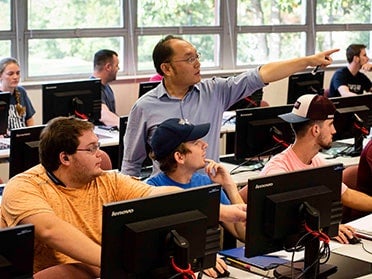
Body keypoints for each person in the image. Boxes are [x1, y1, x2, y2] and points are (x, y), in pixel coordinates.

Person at [121, 34, 338, 177]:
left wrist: (307, 61)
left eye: (197, 56)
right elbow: (131, 166)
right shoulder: (144, 108)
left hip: (210, 189)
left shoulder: (215, 91)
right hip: (166, 194)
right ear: (166, 69)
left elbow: (260, 74)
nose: (197, 63)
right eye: (189, 59)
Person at [0, 116, 182, 276]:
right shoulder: (25, 186)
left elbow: (153, 195)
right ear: (65, 158)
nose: (100, 155)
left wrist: (190, 197)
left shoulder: (106, 179)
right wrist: (115, 263)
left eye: (98, 146)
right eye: (91, 149)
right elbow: (50, 230)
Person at [239, 94, 372, 244]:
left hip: (303, 244)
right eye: (330, 124)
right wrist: (324, 229)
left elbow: (346, 195)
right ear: (316, 130)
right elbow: (282, 222)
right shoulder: (278, 171)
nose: (334, 130)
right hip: (279, 250)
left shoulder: (315, 161)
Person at [147, 118, 246, 278]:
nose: (204, 145)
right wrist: (197, 260)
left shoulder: (206, 184)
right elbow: (152, 252)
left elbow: (242, 233)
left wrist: (230, 187)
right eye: (195, 142)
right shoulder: (151, 190)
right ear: (180, 157)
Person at [0, 57, 35, 131]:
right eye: (10, 74)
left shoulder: (21, 91)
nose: (15, 77)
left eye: (18, 73)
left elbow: (29, 119)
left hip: (21, 137)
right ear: (0, 76)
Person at [91, 49, 120, 127]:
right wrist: (127, 126)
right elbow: (104, 115)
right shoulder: (93, 89)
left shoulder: (106, 86)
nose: (118, 69)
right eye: (116, 65)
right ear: (108, 67)